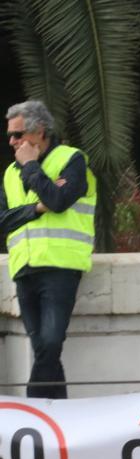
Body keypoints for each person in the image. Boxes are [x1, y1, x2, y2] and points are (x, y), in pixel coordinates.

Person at [3, 99, 97, 399]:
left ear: (39, 131)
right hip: (24, 269)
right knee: (44, 348)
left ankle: (35, 409)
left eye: (18, 134)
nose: (12, 141)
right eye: (10, 135)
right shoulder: (8, 174)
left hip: (60, 266)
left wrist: (31, 167)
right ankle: (58, 418)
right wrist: (37, 208)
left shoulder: (72, 159)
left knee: (51, 342)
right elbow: (3, 221)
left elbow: (59, 201)